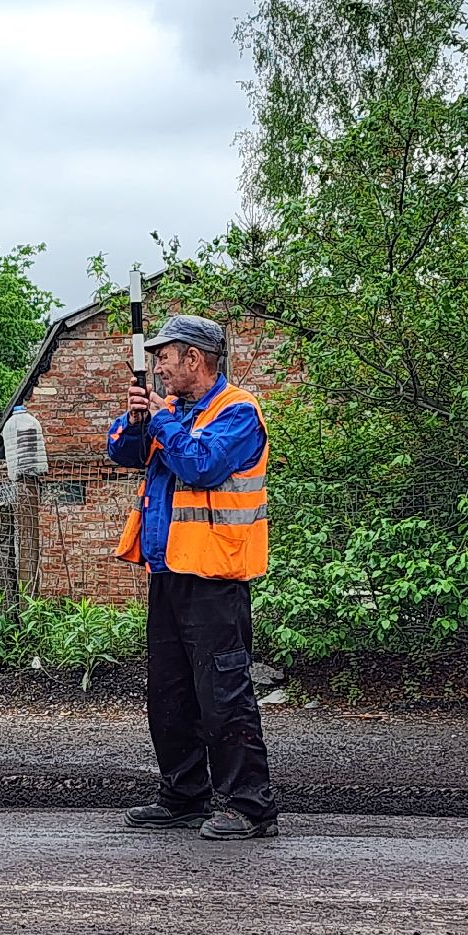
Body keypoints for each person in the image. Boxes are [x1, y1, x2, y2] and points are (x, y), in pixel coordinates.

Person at [105, 313, 280, 840]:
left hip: (215, 576)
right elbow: (122, 453)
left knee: (223, 694)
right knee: (170, 692)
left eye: (165, 356)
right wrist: (137, 424)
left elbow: (200, 465)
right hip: (169, 570)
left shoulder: (238, 412)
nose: (157, 366)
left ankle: (251, 807)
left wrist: (160, 423)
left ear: (194, 359)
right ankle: (183, 797)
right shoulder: (173, 413)